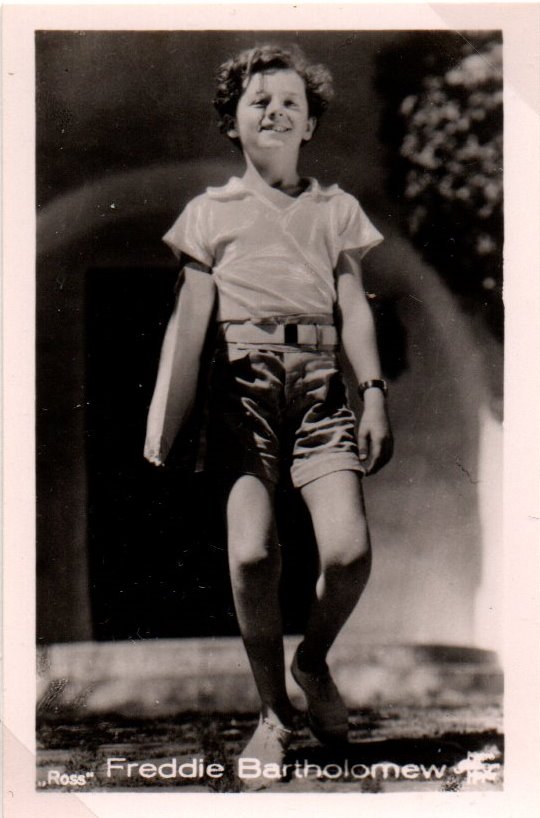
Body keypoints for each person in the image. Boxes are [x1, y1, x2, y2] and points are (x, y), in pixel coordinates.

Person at [152, 44, 393, 788]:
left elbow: (353, 307)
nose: (276, 111)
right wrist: (169, 416)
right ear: (233, 122)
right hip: (241, 389)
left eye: (292, 102)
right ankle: (272, 713)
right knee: (253, 555)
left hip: (321, 389)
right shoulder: (208, 214)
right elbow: (188, 322)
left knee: (348, 553)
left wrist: (373, 391)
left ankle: (311, 662)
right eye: (259, 101)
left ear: (310, 124)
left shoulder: (336, 211)